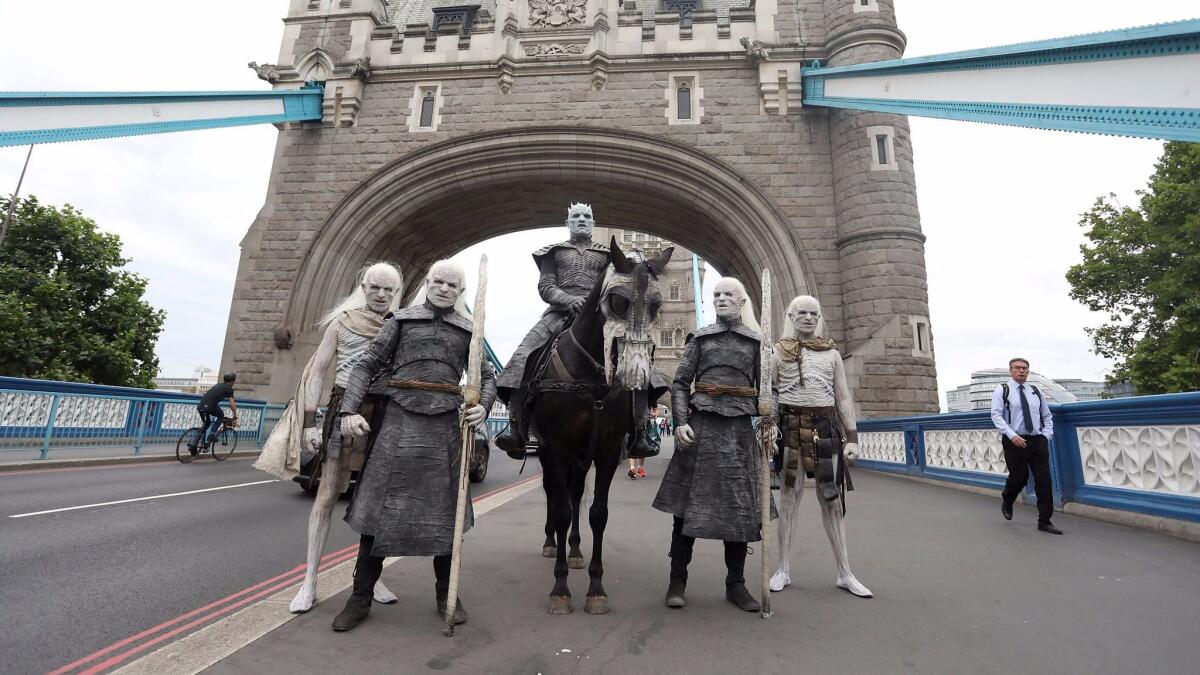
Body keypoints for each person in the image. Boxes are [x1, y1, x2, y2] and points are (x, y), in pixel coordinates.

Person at [331, 260, 496, 632]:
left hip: (444, 429)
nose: (443, 288)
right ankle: (359, 598)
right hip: (397, 422)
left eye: (452, 285)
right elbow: (366, 365)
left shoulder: (470, 330)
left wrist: (483, 405)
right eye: (437, 281)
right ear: (427, 283)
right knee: (376, 513)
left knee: (444, 516)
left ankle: (446, 594)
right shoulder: (401, 321)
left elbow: (486, 375)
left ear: (461, 292)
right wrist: (347, 410)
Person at [253, 262, 405, 613]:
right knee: (326, 496)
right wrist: (309, 423)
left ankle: (369, 577)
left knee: (376, 500)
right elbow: (317, 373)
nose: (381, 295)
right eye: (375, 288)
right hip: (343, 409)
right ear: (362, 286)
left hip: (385, 412)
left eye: (389, 290)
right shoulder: (342, 322)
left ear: (396, 292)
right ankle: (309, 582)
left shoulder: (401, 326)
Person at [494, 203, 656, 460]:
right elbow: (545, 286)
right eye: (576, 216)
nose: (582, 219)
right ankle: (517, 427)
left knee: (638, 358)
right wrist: (567, 300)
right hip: (559, 312)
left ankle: (640, 431)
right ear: (567, 222)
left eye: (587, 216)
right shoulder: (554, 252)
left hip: (600, 315)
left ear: (593, 223)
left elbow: (619, 285)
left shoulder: (607, 255)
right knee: (523, 354)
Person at [651, 278, 775, 612]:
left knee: (739, 509)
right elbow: (679, 383)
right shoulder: (701, 339)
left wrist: (768, 416)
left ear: (742, 301)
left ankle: (736, 583)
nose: (720, 299)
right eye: (716, 294)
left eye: (727, 295)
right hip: (701, 427)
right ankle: (677, 580)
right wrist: (680, 422)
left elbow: (769, 390)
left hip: (739, 433)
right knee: (685, 509)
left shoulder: (757, 344)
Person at [768, 295, 872, 598]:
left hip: (826, 428)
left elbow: (842, 397)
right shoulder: (776, 353)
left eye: (814, 313)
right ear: (791, 315)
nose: (809, 318)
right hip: (789, 428)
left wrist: (852, 437)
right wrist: (768, 427)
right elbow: (771, 396)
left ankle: (845, 572)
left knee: (832, 501)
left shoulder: (832, 354)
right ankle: (783, 568)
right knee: (789, 498)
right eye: (802, 313)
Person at [991, 358, 1060, 534]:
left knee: (1044, 481)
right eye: (1017, 368)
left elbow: (1047, 416)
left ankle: (1045, 521)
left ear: (1028, 371)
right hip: (1014, 440)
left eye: (1024, 368)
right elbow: (996, 416)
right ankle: (1008, 499)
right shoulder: (1003, 390)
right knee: (1019, 478)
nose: (1021, 371)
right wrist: (1012, 435)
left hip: (1037, 441)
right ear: (1010, 370)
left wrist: (1046, 436)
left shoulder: (1035, 391)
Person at [192, 373, 237, 451]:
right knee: (221, 416)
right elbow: (232, 404)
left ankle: (194, 445)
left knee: (207, 423)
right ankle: (212, 434)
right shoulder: (229, 389)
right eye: (234, 382)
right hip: (210, 406)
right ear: (232, 382)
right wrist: (235, 415)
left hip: (200, 406)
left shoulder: (218, 385)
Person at [628, 402, 660, 479]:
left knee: (643, 445)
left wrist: (653, 414)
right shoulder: (631, 392)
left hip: (645, 424)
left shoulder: (649, 395)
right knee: (632, 445)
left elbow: (656, 411)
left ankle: (640, 468)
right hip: (633, 423)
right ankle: (632, 469)